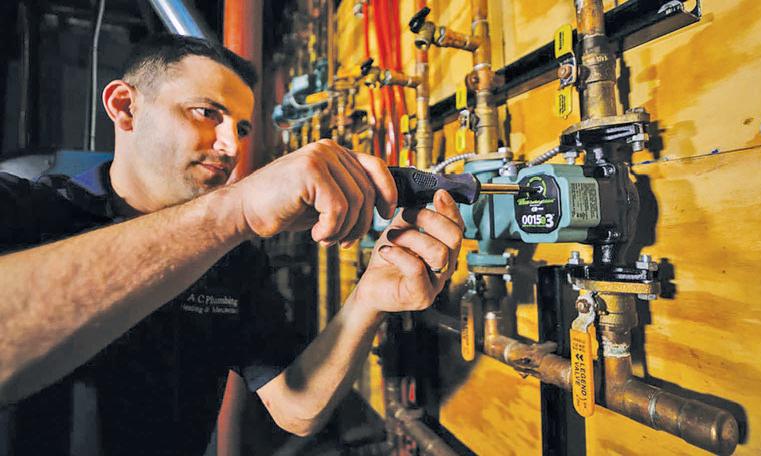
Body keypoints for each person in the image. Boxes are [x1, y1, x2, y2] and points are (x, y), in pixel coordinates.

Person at [0, 34, 463, 455]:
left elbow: (295, 407)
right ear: (125, 107)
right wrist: (236, 210)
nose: (230, 147)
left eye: (241, 128)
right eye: (206, 113)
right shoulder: (28, 210)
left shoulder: (233, 258)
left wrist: (369, 300)